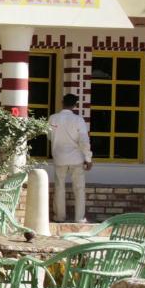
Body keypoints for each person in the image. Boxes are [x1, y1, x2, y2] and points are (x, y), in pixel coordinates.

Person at [48, 94, 92, 223]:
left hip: (59, 157)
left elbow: (49, 137)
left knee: (59, 187)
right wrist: (88, 158)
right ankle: (79, 218)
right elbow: (84, 141)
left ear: (62, 102)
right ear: (75, 105)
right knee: (79, 189)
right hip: (76, 159)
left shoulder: (53, 118)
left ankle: (59, 217)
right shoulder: (78, 120)